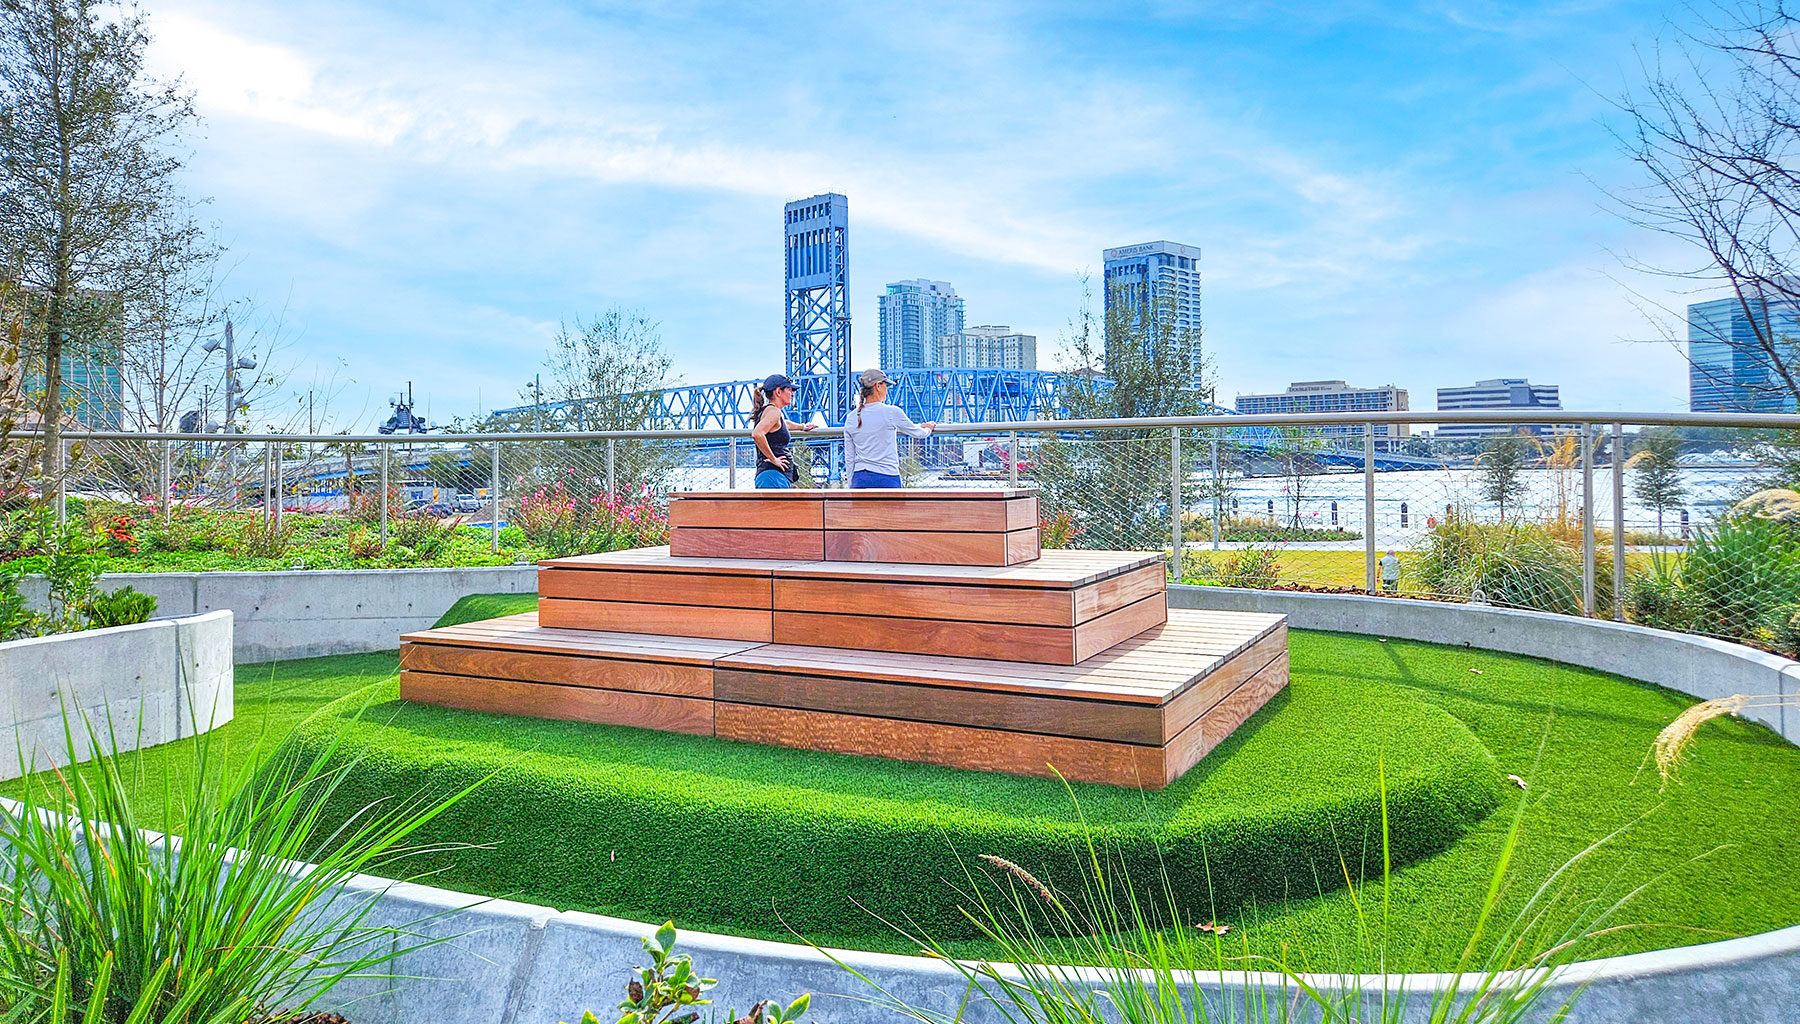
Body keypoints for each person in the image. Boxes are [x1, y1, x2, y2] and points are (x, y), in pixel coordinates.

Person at [843, 368, 934, 488]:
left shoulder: (851, 417)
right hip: (886, 477)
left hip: (860, 479)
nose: (887, 390)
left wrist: (851, 485)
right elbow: (919, 433)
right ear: (878, 386)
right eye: (886, 386)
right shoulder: (891, 412)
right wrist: (928, 428)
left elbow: (849, 458)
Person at [750, 373, 817, 488]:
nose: (792, 394)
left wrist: (803, 426)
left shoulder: (772, 412)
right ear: (778, 392)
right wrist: (774, 459)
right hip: (772, 478)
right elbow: (757, 434)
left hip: (774, 477)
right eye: (789, 390)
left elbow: (784, 424)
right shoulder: (773, 412)